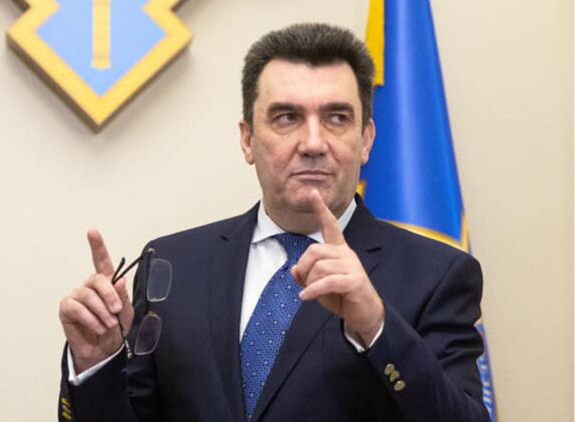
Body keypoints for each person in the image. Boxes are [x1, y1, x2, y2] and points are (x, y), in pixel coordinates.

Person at [57, 23, 489, 421]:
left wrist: (376, 326)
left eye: (337, 118)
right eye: (287, 118)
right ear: (247, 139)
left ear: (366, 140)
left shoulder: (436, 276)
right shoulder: (173, 264)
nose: (313, 143)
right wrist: (97, 363)